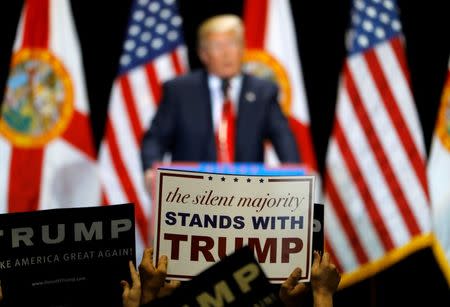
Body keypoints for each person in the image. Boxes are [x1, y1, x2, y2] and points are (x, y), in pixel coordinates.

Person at [141, 14, 300, 190]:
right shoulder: (179, 90)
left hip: (246, 195)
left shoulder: (264, 92)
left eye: (233, 43)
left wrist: (293, 175)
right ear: (203, 54)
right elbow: (155, 138)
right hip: (189, 193)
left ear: (242, 48)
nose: (227, 53)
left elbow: (283, 137)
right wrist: (150, 168)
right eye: (217, 46)